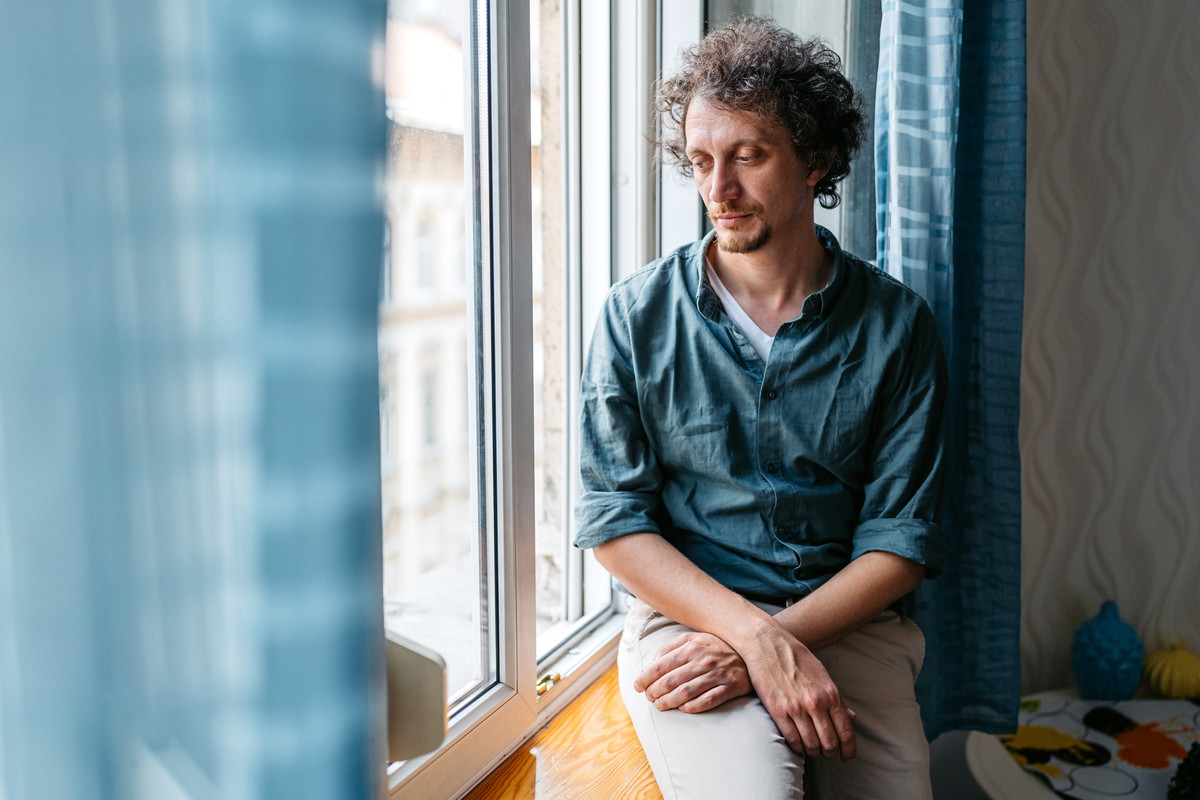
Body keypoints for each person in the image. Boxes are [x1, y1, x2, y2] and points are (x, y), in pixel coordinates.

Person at [572, 15, 948, 800]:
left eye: (748, 155)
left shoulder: (897, 324)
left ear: (814, 160)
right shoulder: (633, 316)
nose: (720, 190)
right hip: (690, 624)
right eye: (703, 161)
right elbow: (614, 521)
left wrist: (776, 641)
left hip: (848, 622)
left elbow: (900, 540)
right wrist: (746, 637)